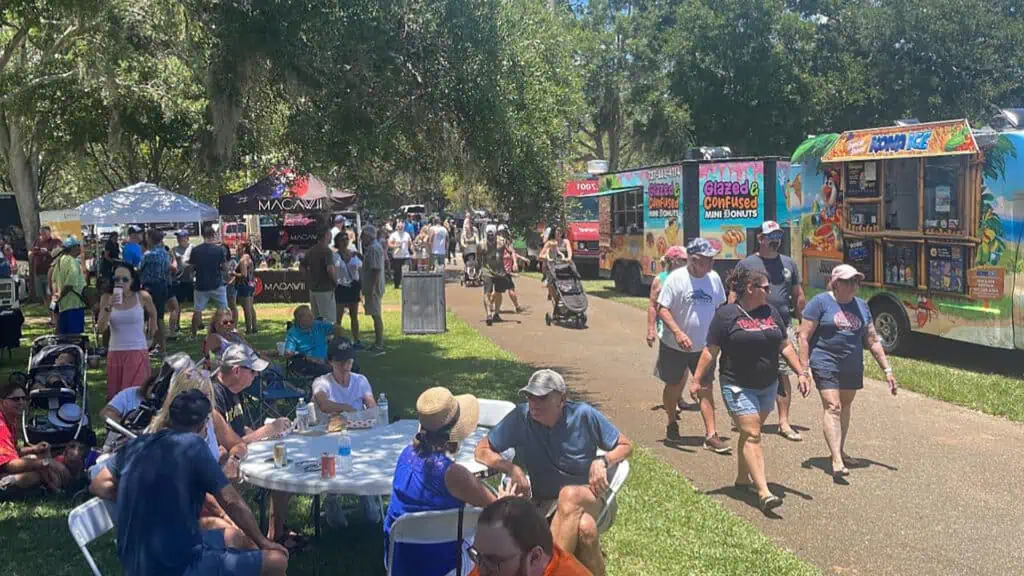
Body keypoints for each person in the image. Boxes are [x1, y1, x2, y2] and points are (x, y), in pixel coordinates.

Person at [89, 389, 289, 576]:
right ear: (204, 424)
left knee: (235, 537)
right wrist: (264, 542)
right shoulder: (193, 445)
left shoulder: (137, 444)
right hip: (178, 565)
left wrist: (140, 494)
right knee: (277, 561)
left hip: (135, 561)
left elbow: (98, 484)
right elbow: (231, 501)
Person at [475, 369, 632, 576]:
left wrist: (603, 460)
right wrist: (510, 467)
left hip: (591, 498)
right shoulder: (522, 417)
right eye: (530, 396)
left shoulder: (583, 414)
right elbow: (482, 450)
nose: (534, 403)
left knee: (569, 495)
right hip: (545, 504)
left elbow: (626, 445)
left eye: (542, 397)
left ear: (562, 399)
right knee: (585, 528)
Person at [692, 267, 806, 514]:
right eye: (766, 287)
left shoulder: (771, 311)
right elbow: (710, 350)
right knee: (753, 433)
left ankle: (742, 480)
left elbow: (784, 345)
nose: (770, 291)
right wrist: (697, 379)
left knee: (749, 433)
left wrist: (801, 372)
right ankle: (764, 492)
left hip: (767, 385)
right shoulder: (726, 315)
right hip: (737, 383)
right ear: (751, 289)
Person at [385, 387, 515, 576]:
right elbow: (497, 508)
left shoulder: (405, 454)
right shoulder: (453, 474)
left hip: (398, 561)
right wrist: (507, 499)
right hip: (445, 567)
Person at [799, 264, 898, 480]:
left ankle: (839, 450)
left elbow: (872, 340)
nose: (854, 285)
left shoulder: (862, 306)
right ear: (835, 284)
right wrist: (803, 370)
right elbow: (804, 336)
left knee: (844, 406)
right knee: (832, 406)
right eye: (848, 281)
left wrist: (887, 370)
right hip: (825, 361)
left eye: (856, 281)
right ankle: (836, 460)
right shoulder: (820, 303)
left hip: (851, 365)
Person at [211, 345, 297, 549]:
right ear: (237, 371)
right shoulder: (214, 396)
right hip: (222, 465)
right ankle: (257, 541)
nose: (256, 375)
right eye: (252, 371)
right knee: (278, 471)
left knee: (283, 471)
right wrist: (266, 431)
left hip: (242, 454)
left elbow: (241, 430)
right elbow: (225, 445)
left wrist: (265, 432)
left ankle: (275, 535)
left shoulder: (234, 391)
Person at [655, 237, 728, 452]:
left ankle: (711, 435)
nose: (712, 264)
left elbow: (720, 307)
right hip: (675, 345)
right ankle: (671, 420)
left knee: (705, 387)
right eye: (708, 260)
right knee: (674, 385)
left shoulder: (714, 278)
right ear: (694, 260)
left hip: (704, 347)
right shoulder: (676, 279)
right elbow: (662, 309)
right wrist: (677, 332)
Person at [736, 220, 806, 442]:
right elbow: (734, 295)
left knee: (783, 372)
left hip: (782, 326)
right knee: (750, 368)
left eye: (778, 236)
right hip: (751, 325)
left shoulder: (789, 264)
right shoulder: (747, 264)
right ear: (761, 239)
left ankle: (784, 422)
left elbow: (798, 294)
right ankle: (746, 414)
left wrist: (802, 322)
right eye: (771, 236)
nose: (776, 240)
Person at [467, 496, 592, 576]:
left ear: (535, 558)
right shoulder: (488, 567)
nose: (481, 571)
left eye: (492, 561)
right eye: (478, 557)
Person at [1, 378, 74, 498]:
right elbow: (9, 465)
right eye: (15, 399)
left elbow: (11, 452)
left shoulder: (10, 419)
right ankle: (7, 485)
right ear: (2, 401)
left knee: (34, 459)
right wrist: (46, 462)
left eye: (24, 398)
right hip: (4, 470)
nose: (21, 402)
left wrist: (35, 449)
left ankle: (48, 486)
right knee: (36, 473)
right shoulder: (1, 426)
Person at [96, 263, 158, 399]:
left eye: (125, 279)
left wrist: (151, 335)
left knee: (136, 395)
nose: (120, 283)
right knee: (118, 398)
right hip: (116, 352)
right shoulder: (106, 298)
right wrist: (109, 306)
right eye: (116, 279)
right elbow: (101, 328)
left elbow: (153, 314)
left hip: (137, 350)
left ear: (132, 280)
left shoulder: (142, 296)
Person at [648, 246, 697, 413]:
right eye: (684, 260)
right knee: (676, 368)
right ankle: (673, 398)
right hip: (668, 330)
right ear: (674, 261)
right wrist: (650, 330)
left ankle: (678, 396)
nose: (687, 263)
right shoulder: (661, 279)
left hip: (688, 328)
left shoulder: (690, 278)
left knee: (684, 367)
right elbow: (653, 306)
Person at [312, 343, 376, 417]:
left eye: (348, 361)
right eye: (340, 362)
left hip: (358, 425)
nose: (345, 366)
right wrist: (346, 408)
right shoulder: (321, 382)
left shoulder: (360, 380)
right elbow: (324, 405)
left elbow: (372, 408)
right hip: (330, 427)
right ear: (330, 362)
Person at [190, 224, 229, 338]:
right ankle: (225, 332)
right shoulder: (219, 250)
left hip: (201, 285)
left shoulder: (196, 250)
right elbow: (225, 267)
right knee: (224, 309)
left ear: (203, 236)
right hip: (217, 283)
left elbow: (191, 268)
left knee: (197, 310)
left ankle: (193, 334)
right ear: (213, 235)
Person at [140, 229, 172, 356]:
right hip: (163, 286)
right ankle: (161, 347)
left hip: (150, 288)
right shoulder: (165, 252)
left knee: (145, 318)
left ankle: (144, 346)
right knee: (159, 317)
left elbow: (139, 268)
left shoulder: (148, 254)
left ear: (150, 239)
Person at [283, 304, 335, 375]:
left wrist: (335, 342)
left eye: (312, 315)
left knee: (348, 363)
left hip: (328, 359)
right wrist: (308, 358)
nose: (313, 317)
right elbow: (288, 353)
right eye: (309, 316)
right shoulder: (293, 334)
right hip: (309, 364)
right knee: (329, 370)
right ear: (299, 319)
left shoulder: (318, 325)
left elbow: (338, 329)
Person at [53, 236, 88, 335]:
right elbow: (70, 284)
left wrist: (57, 295)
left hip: (63, 306)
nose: (79, 249)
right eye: (77, 246)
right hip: (74, 305)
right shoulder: (72, 262)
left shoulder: (59, 261)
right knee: (74, 337)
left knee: (63, 337)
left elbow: (54, 280)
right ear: (72, 248)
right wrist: (61, 295)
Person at [479, 226, 512, 325]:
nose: (490, 238)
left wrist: (513, 261)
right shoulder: (482, 244)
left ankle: (496, 313)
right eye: (488, 236)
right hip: (487, 270)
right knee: (487, 292)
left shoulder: (502, 241)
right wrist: (479, 270)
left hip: (499, 270)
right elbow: (478, 257)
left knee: (498, 292)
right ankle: (489, 314)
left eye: (492, 236)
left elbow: (511, 251)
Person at [301, 226, 337, 322]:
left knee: (316, 319)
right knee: (328, 319)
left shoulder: (310, 251)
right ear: (326, 236)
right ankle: (328, 337)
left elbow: (302, 267)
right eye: (330, 235)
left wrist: (308, 279)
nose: (331, 237)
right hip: (325, 289)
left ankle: (318, 337)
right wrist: (335, 281)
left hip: (313, 290)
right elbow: (330, 269)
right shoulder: (327, 251)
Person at [361, 224, 387, 355]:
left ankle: (379, 344)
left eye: (363, 235)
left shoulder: (374, 249)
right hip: (372, 287)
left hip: (374, 288)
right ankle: (377, 342)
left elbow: (376, 270)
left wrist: (371, 289)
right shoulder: (373, 248)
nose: (361, 238)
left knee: (376, 315)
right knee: (374, 314)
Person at [333, 233, 362, 346]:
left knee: (354, 315)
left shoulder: (354, 254)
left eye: (346, 239)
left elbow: (360, 268)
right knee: (338, 316)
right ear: (337, 242)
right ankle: (337, 340)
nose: (345, 242)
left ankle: (356, 340)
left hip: (354, 286)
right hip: (341, 287)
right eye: (342, 240)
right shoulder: (335, 256)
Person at [539, 226, 573, 302]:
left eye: (560, 231)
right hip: (552, 266)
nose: (559, 233)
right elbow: (541, 255)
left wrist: (569, 258)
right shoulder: (550, 242)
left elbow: (569, 251)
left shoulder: (566, 241)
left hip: (563, 265)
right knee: (550, 284)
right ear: (554, 233)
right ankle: (554, 296)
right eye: (557, 231)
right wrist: (547, 258)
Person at [29, 226, 61, 303]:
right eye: (41, 233)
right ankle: (50, 313)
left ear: (49, 233)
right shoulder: (37, 241)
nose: (43, 235)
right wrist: (31, 253)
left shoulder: (55, 241)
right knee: (43, 295)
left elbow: (59, 254)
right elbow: (30, 252)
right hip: (38, 272)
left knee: (50, 294)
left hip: (50, 273)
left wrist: (48, 252)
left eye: (45, 233)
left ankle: (54, 312)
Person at [172, 230, 194, 334]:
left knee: (197, 304)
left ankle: (197, 324)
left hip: (191, 280)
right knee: (178, 305)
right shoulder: (174, 250)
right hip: (179, 280)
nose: (179, 239)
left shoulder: (193, 248)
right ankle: (177, 326)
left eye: (181, 237)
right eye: (178, 237)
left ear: (187, 237)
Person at [498, 230, 526, 314]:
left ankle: (492, 306)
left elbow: (513, 253)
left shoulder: (505, 245)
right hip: (503, 272)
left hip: (503, 272)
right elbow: (511, 253)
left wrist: (521, 258)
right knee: (508, 290)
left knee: (498, 291)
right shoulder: (502, 245)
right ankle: (517, 307)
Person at [236, 243, 257, 334]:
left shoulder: (243, 260)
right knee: (251, 307)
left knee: (246, 308)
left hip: (244, 285)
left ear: (243, 249)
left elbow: (244, 274)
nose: (237, 251)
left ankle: (249, 329)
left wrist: (233, 273)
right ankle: (254, 328)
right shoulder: (249, 258)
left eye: (238, 249)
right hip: (251, 284)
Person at [388, 221, 413, 289]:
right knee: (397, 272)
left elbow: (410, 243)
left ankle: (406, 284)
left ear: (403, 227)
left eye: (401, 227)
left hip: (406, 256)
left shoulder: (407, 234)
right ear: (396, 227)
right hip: (397, 256)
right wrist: (395, 245)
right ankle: (397, 285)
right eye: (399, 227)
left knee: (406, 270)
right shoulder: (394, 235)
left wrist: (412, 250)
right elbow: (389, 244)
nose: (400, 228)